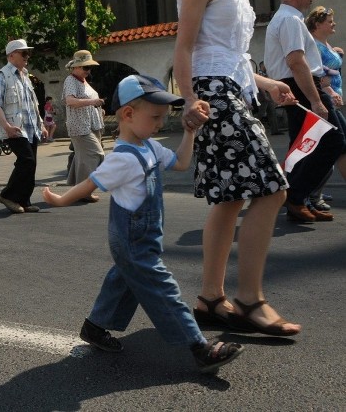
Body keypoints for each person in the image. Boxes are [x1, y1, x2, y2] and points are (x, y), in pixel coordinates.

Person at [42, 75, 244, 374]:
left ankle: (94, 327)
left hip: (143, 238)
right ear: (128, 114)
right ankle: (200, 348)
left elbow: (180, 163)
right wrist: (60, 200)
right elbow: (89, 184)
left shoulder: (148, 147)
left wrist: (189, 133)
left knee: (123, 280)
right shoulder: (122, 159)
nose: (160, 124)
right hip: (133, 240)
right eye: (155, 117)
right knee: (163, 289)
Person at [174, 0, 301, 336]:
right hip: (214, 95)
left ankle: (210, 297)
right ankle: (249, 299)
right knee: (272, 189)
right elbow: (185, 48)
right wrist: (189, 99)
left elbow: (230, 54)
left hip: (232, 90)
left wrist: (268, 84)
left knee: (230, 197)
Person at [264, 0, 346, 223]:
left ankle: (297, 197)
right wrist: (316, 101)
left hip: (297, 86)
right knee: (331, 141)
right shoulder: (289, 20)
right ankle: (296, 197)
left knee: (307, 145)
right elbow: (296, 62)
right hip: (301, 87)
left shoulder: (288, 19)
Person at [0, 39, 47, 214]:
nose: (27, 56)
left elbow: (33, 104)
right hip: (15, 128)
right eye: (24, 53)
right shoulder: (1, 76)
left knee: (32, 163)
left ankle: (24, 200)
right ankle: (9, 195)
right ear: (11, 55)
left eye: (28, 53)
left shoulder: (26, 76)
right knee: (26, 160)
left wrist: (42, 124)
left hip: (31, 128)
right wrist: (6, 126)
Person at [306, 6, 342, 212]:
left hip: (333, 99)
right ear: (318, 24)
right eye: (329, 21)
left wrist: (338, 54)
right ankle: (310, 192)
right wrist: (329, 91)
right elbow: (319, 75)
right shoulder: (315, 47)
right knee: (329, 146)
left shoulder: (325, 45)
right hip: (325, 100)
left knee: (331, 145)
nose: (333, 23)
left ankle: (314, 189)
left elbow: (332, 70)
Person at [63, 50, 104, 201]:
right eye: (85, 67)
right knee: (96, 154)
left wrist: (99, 108)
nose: (88, 70)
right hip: (80, 126)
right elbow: (71, 101)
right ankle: (83, 190)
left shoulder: (83, 81)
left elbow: (87, 101)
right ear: (76, 67)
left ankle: (79, 191)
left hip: (91, 124)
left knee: (82, 158)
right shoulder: (71, 80)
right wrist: (93, 102)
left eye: (89, 67)